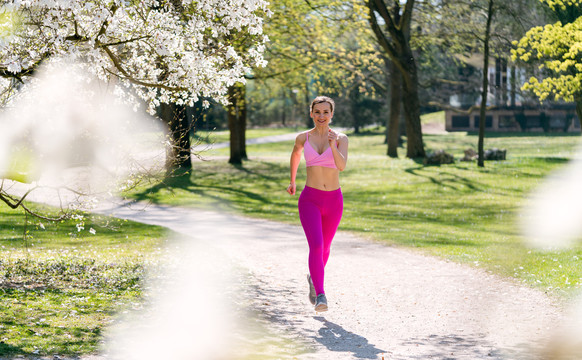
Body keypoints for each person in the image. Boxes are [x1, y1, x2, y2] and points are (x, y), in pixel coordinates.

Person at [286, 96, 348, 312]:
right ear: (311, 113)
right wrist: (293, 181)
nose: (321, 116)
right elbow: (295, 156)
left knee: (327, 247)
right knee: (317, 246)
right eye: (317, 112)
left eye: (326, 112)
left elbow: (341, 166)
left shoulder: (341, 138)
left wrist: (333, 145)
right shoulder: (303, 138)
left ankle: (314, 278)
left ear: (332, 114)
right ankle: (321, 295)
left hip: (333, 200)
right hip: (310, 199)